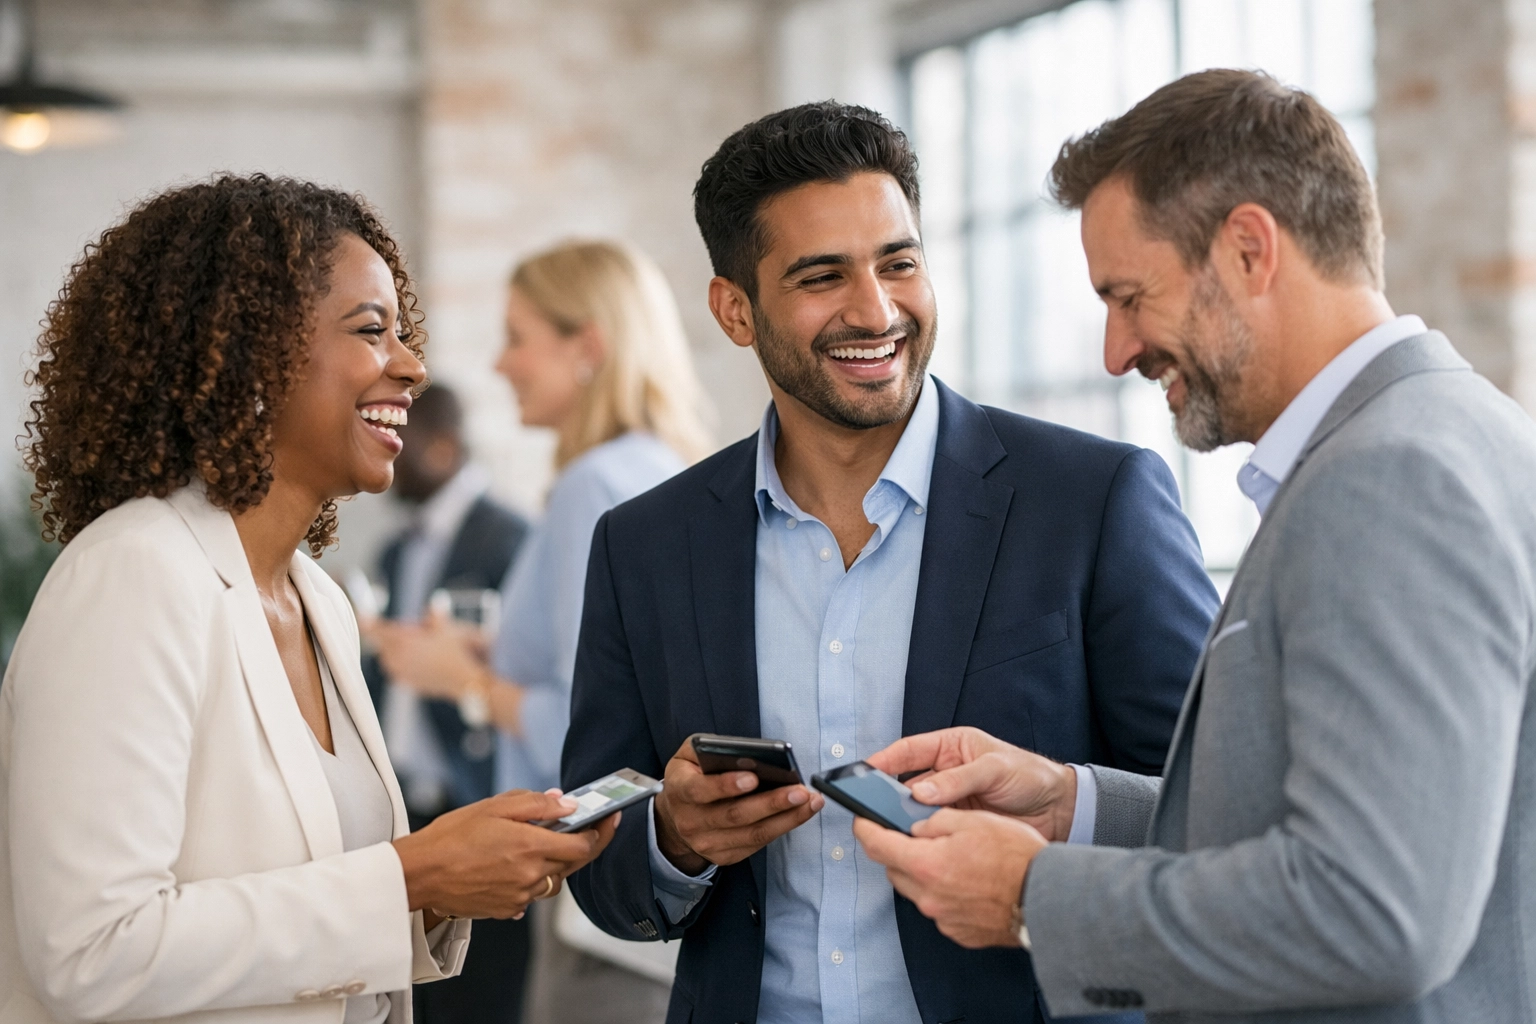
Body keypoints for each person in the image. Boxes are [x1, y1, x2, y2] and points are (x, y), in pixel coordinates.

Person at [853, 69, 1536, 1023]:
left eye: (1130, 296)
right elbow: (1311, 823)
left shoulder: (1390, 479)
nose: (1115, 350)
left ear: (1250, 249)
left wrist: (1030, 897)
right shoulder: (1435, 435)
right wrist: (1071, 806)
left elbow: (1375, 910)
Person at [562, 101, 1220, 1024]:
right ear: (735, 311)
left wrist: (1065, 809)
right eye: (822, 276)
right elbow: (599, 862)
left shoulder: (1092, 502)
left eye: (899, 262)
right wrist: (674, 837)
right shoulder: (644, 546)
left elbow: (1222, 813)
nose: (877, 310)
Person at [0, 174, 616, 1024]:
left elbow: (325, 914)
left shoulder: (317, 600)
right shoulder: (134, 573)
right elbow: (90, 952)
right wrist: (412, 875)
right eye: (371, 331)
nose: (412, 365)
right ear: (250, 353)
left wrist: (449, 882)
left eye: (403, 334)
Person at [373, 239, 712, 1024]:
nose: (501, 365)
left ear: (586, 345)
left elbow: (595, 727)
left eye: (518, 337)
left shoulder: (592, 486)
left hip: (601, 894)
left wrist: (463, 680)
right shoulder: (661, 467)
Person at [363, 382, 534, 1024]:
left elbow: (531, 672)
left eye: (402, 443)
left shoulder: (509, 538)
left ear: (441, 446)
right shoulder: (394, 549)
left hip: (475, 796)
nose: (389, 456)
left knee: (481, 998)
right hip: (401, 810)